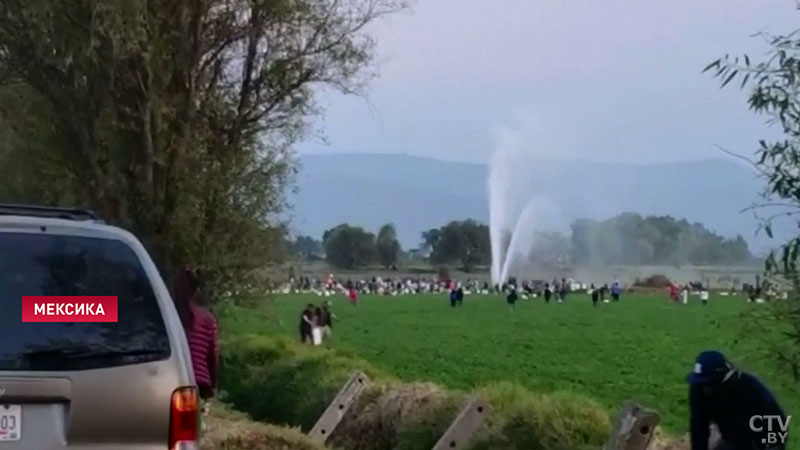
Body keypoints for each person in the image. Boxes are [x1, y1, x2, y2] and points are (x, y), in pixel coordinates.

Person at [688, 350, 787, 450]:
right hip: (733, 436)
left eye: (709, 383)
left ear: (722, 378)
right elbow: (698, 427)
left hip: (762, 436)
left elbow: (776, 423)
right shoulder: (698, 388)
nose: (705, 389)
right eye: (702, 384)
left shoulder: (750, 389)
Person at [173, 266, 218, 430]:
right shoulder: (207, 318)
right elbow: (212, 356)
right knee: (190, 432)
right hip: (199, 381)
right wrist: (212, 385)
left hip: (173, 379)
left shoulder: (170, 313)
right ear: (197, 289)